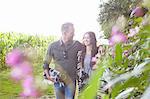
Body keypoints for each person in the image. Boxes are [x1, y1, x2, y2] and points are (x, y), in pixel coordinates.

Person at [43, 22, 83, 99]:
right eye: (72, 32)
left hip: (71, 81)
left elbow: (89, 48)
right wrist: (48, 76)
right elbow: (46, 63)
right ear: (64, 33)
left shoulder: (77, 44)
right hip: (58, 81)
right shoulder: (53, 46)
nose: (74, 34)